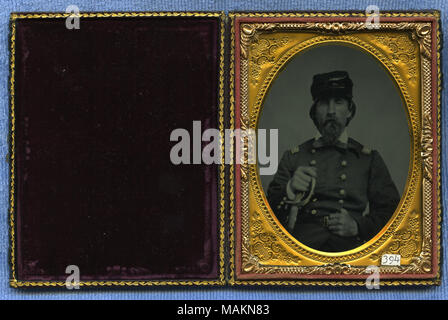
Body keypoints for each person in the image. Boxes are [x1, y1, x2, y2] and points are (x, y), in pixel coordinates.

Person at [267, 70, 400, 252]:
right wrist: (289, 190)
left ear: (349, 110)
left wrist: (358, 226)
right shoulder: (294, 157)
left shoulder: (369, 159)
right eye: (323, 103)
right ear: (314, 113)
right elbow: (266, 218)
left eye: (338, 102)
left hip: (351, 254)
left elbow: (392, 213)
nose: (331, 111)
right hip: (302, 252)